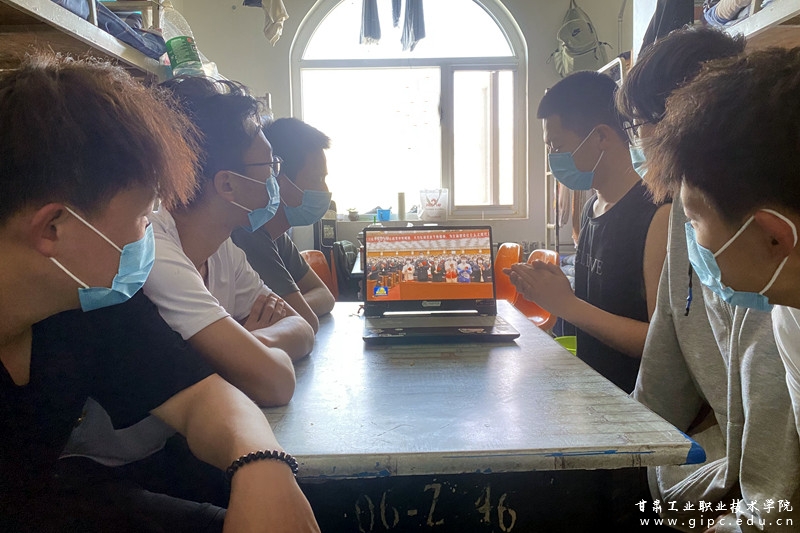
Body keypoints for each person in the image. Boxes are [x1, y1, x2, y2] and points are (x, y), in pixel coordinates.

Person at [0, 53, 318, 532]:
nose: (152, 231)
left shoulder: (88, 305)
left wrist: (261, 461)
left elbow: (205, 399)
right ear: (53, 228)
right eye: (143, 215)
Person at [618, 26, 800, 531]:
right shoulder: (786, 311)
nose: (690, 234)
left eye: (639, 123)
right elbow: (664, 358)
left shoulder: (776, 290)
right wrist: (638, 442)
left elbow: (776, 488)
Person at [505, 71, 670, 394]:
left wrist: (566, 304)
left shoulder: (658, 215)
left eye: (558, 145)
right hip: (595, 392)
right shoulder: (591, 207)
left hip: (638, 404)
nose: (553, 158)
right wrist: (553, 289)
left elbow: (658, 341)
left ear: (601, 137)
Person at [231, 118, 336, 333]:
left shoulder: (278, 237)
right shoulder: (249, 235)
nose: (325, 191)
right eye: (316, 179)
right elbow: (304, 318)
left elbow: (325, 296)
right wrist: (293, 311)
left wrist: (285, 311)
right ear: (277, 178)